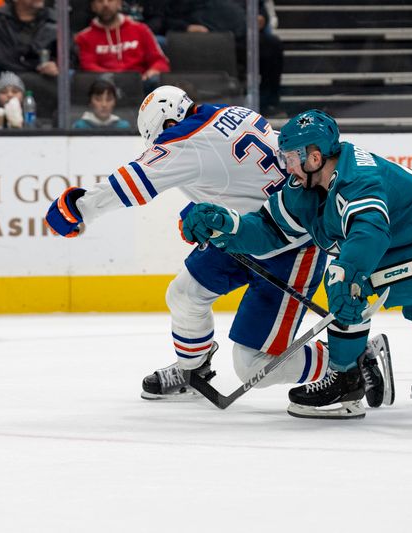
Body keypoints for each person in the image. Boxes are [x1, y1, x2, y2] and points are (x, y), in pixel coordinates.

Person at [44, 87, 392, 408]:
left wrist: (80, 207)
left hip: (290, 247)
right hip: (245, 231)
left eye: (158, 139)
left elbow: (135, 181)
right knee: (184, 294)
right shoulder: (229, 114)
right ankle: (192, 370)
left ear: (167, 123)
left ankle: (352, 360)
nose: (159, 146)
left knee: (253, 365)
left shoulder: (187, 139)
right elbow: (232, 176)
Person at [182, 109, 412, 420]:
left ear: (314, 158)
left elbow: (369, 231)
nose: (287, 166)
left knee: (348, 280)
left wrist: (349, 277)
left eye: (291, 158)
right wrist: (226, 226)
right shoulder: (304, 187)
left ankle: (346, 382)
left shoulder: (358, 179)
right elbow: (269, 229)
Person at [75, 0, 170, 92]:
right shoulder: (83, 37)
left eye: (110, 0)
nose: (105, 4)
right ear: (93, 7)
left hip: (140, 82)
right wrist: (117, 78)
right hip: (105, 85)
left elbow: (159, 60)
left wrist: (153, 70)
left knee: (155, 80)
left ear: (119, 3)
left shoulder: (141, 29)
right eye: (100, 1)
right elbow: (88, 66)